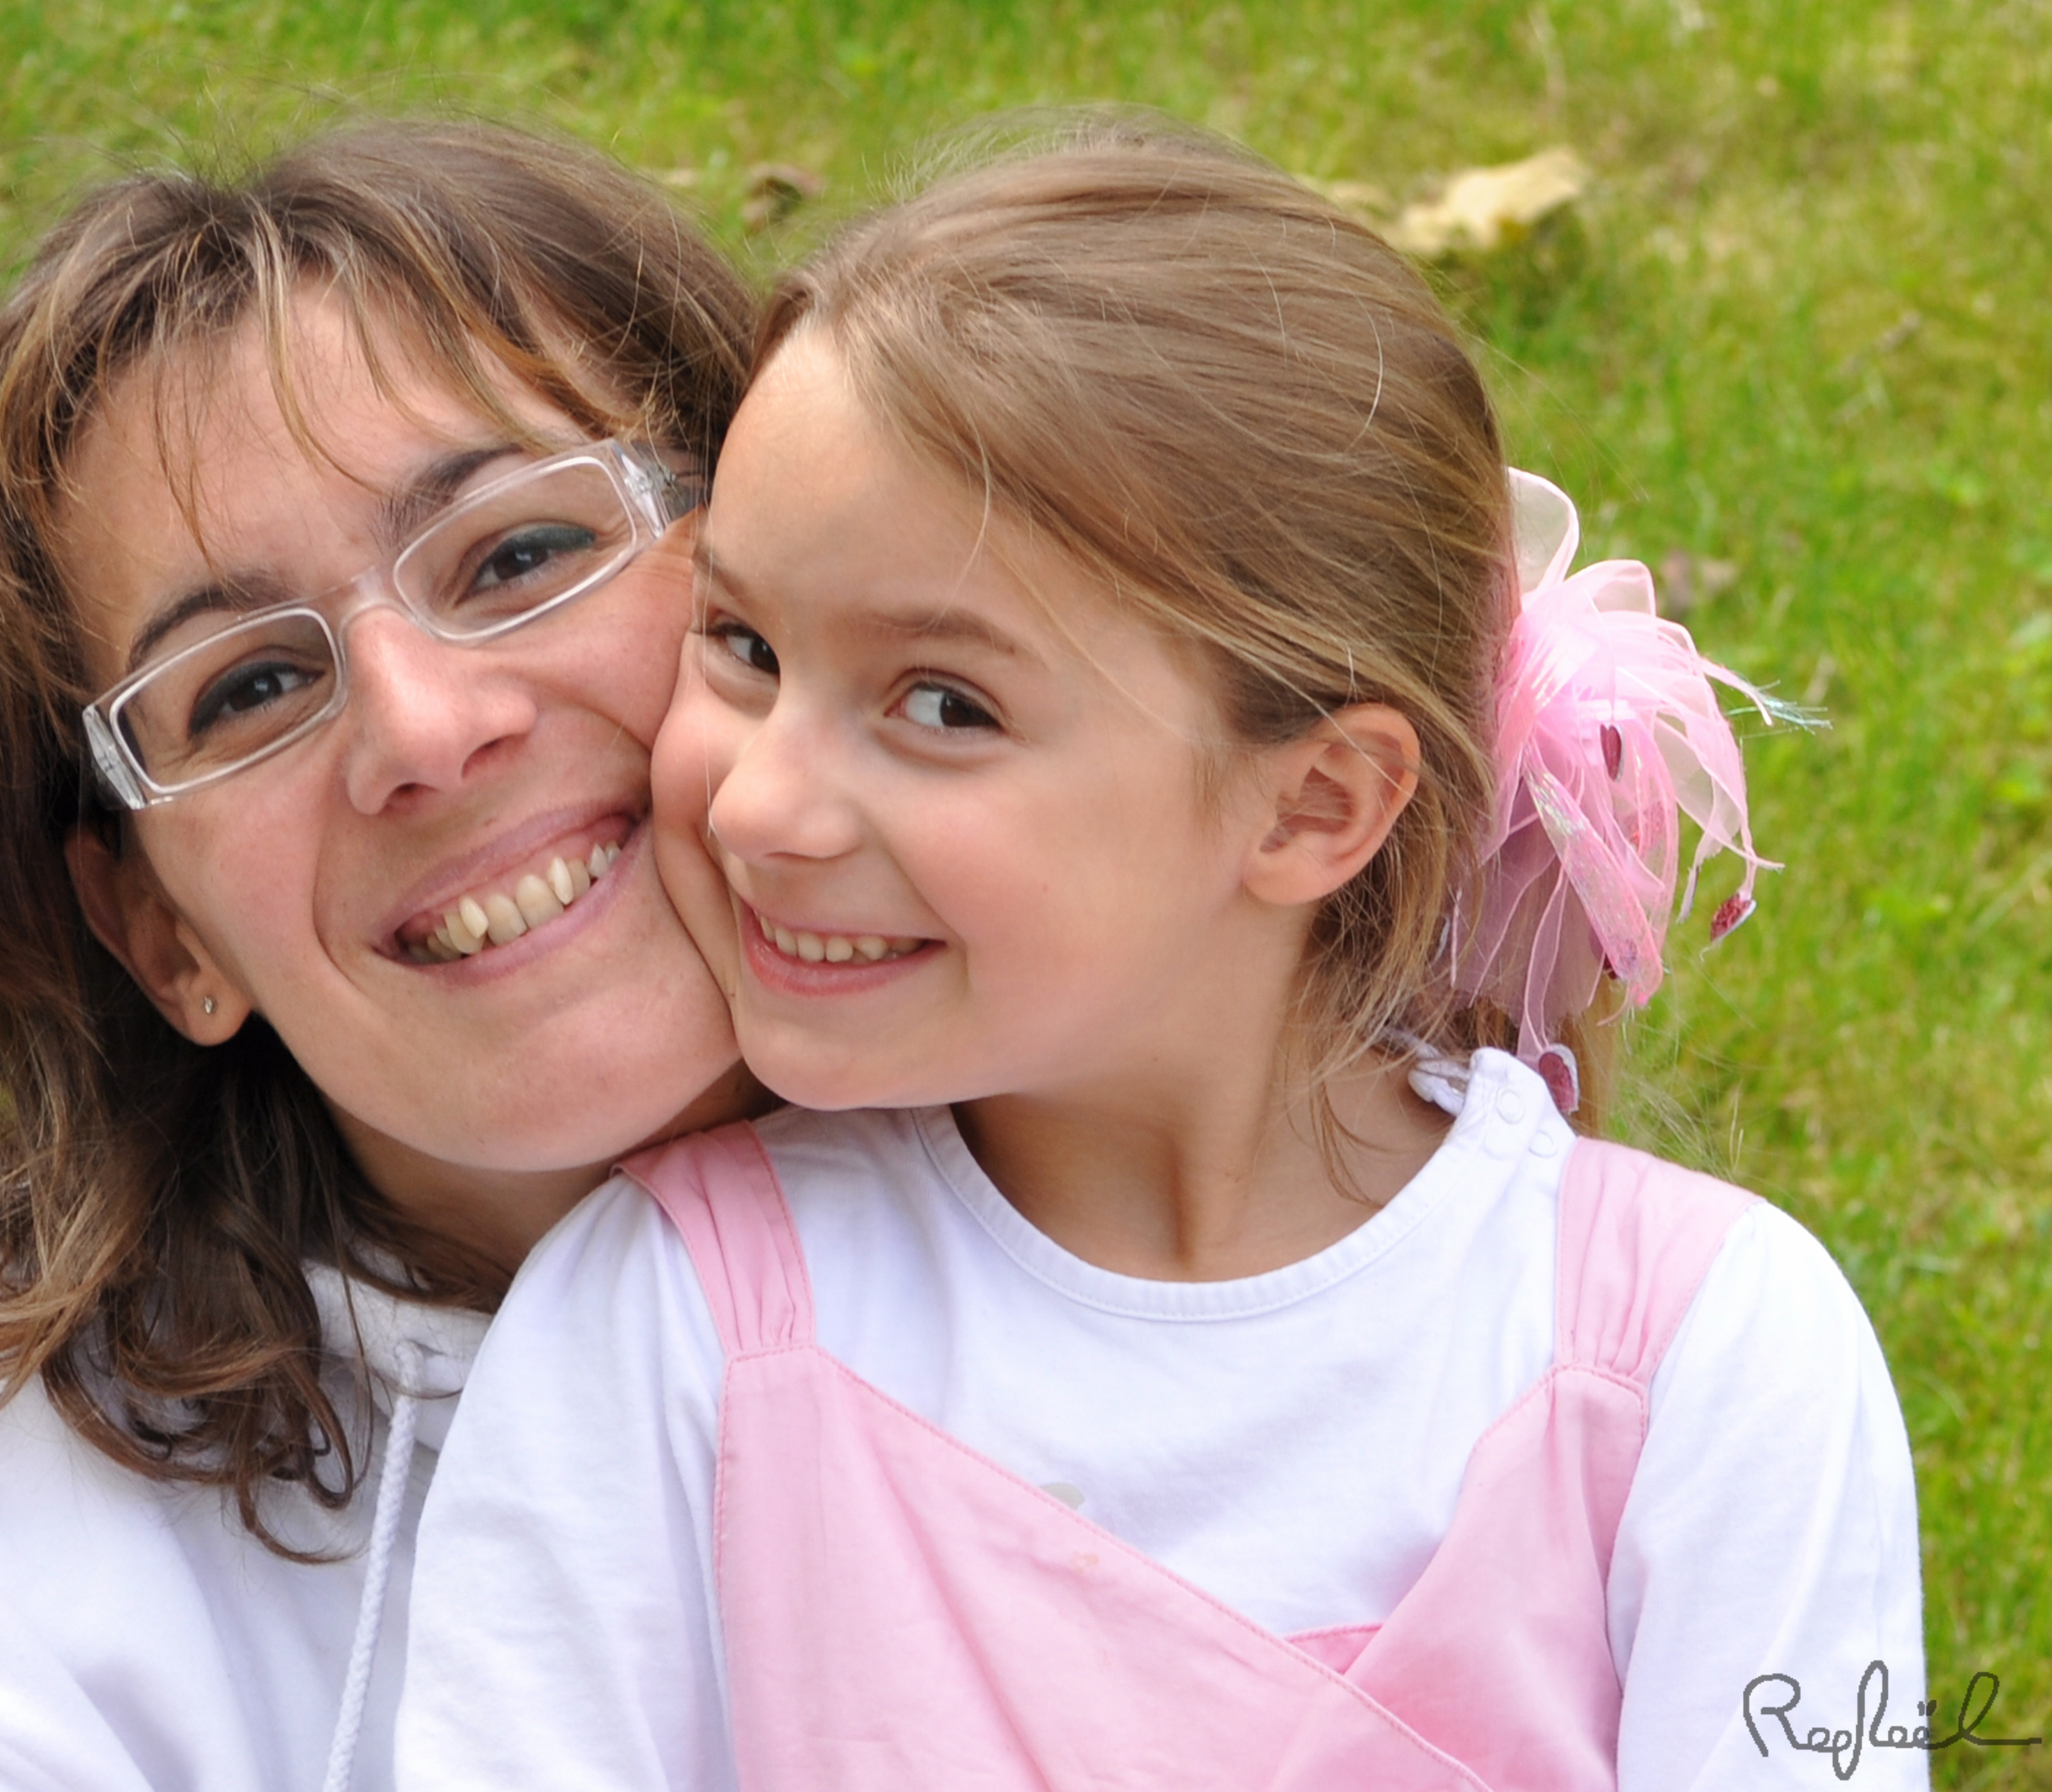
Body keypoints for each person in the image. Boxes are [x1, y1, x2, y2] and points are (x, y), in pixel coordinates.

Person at [395, 124, 1926, 1791]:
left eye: (943, 705)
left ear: (1315, 806)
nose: (759, 802)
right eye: (746, 646)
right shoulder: (671, 1331)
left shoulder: (1695, 1356)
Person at [0, 118, 760, 1791]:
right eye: (247, 688)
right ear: (165, 936)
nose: (423, 729)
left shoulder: (1172, 1147)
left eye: (522, 553)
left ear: (778, 565)